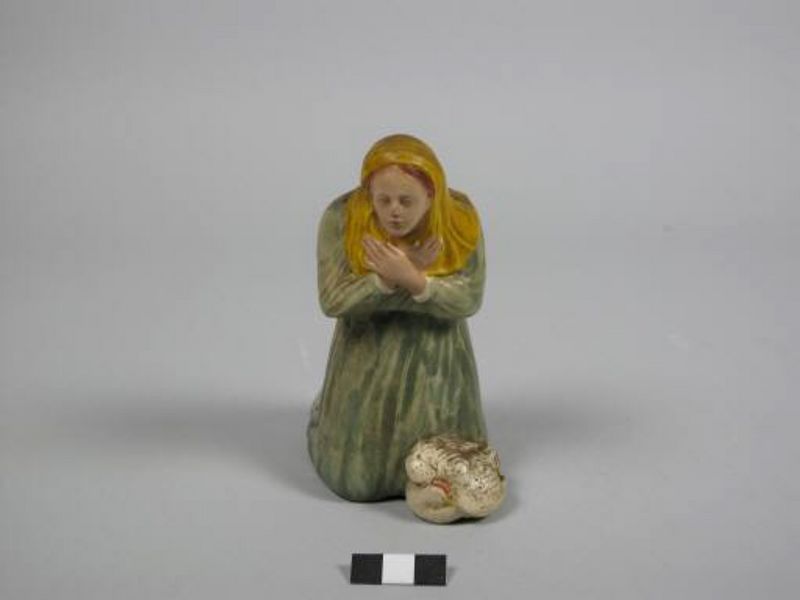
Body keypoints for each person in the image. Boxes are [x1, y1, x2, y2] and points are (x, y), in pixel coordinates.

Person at [307, 133, 488, 502]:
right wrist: (386, 280)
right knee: (358, 481)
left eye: (407, 201)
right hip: (367, 360)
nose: (394, 211)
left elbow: (467, 298)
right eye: (383, 200)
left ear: (431, 196)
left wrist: (415, 280)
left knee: (457, 466)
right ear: (367, 193)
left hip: (438, 362)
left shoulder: (458, 221)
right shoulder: (342, 219)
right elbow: (333, 300)